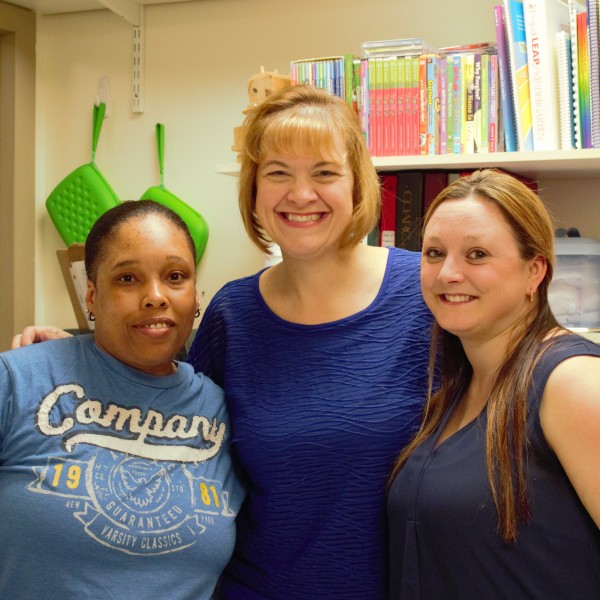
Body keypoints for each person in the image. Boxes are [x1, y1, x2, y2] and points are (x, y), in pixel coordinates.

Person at [13, 85, 433, 599]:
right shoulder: (232, 314)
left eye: (324, 172)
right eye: (278, 173)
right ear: (253, 190)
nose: (301, 194)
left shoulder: (426, 294)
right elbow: (164, 413)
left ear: (358, 185)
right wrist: (68, 359)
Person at [1, 200, 244, 599]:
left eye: (175, 276)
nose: (155, 296)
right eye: (128, 278)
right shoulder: (19, 379)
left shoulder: (226, 411)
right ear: (91, 296)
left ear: (196, 295)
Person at [387, 169, 600, 600]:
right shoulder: (456, 387)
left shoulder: (571, 382)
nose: (448, 273)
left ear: (534, 272)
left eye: (477, 254)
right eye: (434, 253)